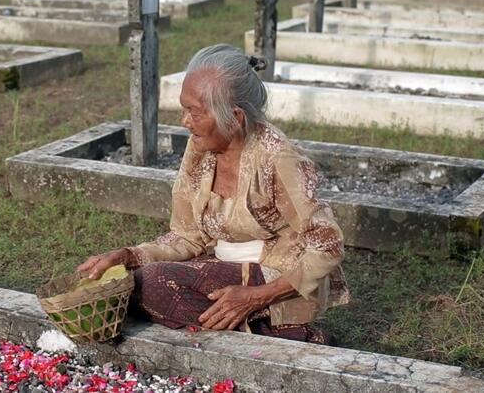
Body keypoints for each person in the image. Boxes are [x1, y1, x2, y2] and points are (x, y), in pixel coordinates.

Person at [77, 44, 349, 343]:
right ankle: (267, 333)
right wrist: (128, 256)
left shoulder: (278, 160)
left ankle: (289, 329)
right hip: (224, 265)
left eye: (194, 111)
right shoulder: (200, 148)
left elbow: (328, 246)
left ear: (234, 117)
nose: (185, 121)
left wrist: (255, 297)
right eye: (184, 109)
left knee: (150, 285)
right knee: (128, 284)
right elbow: (187, 237)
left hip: (276, 275)